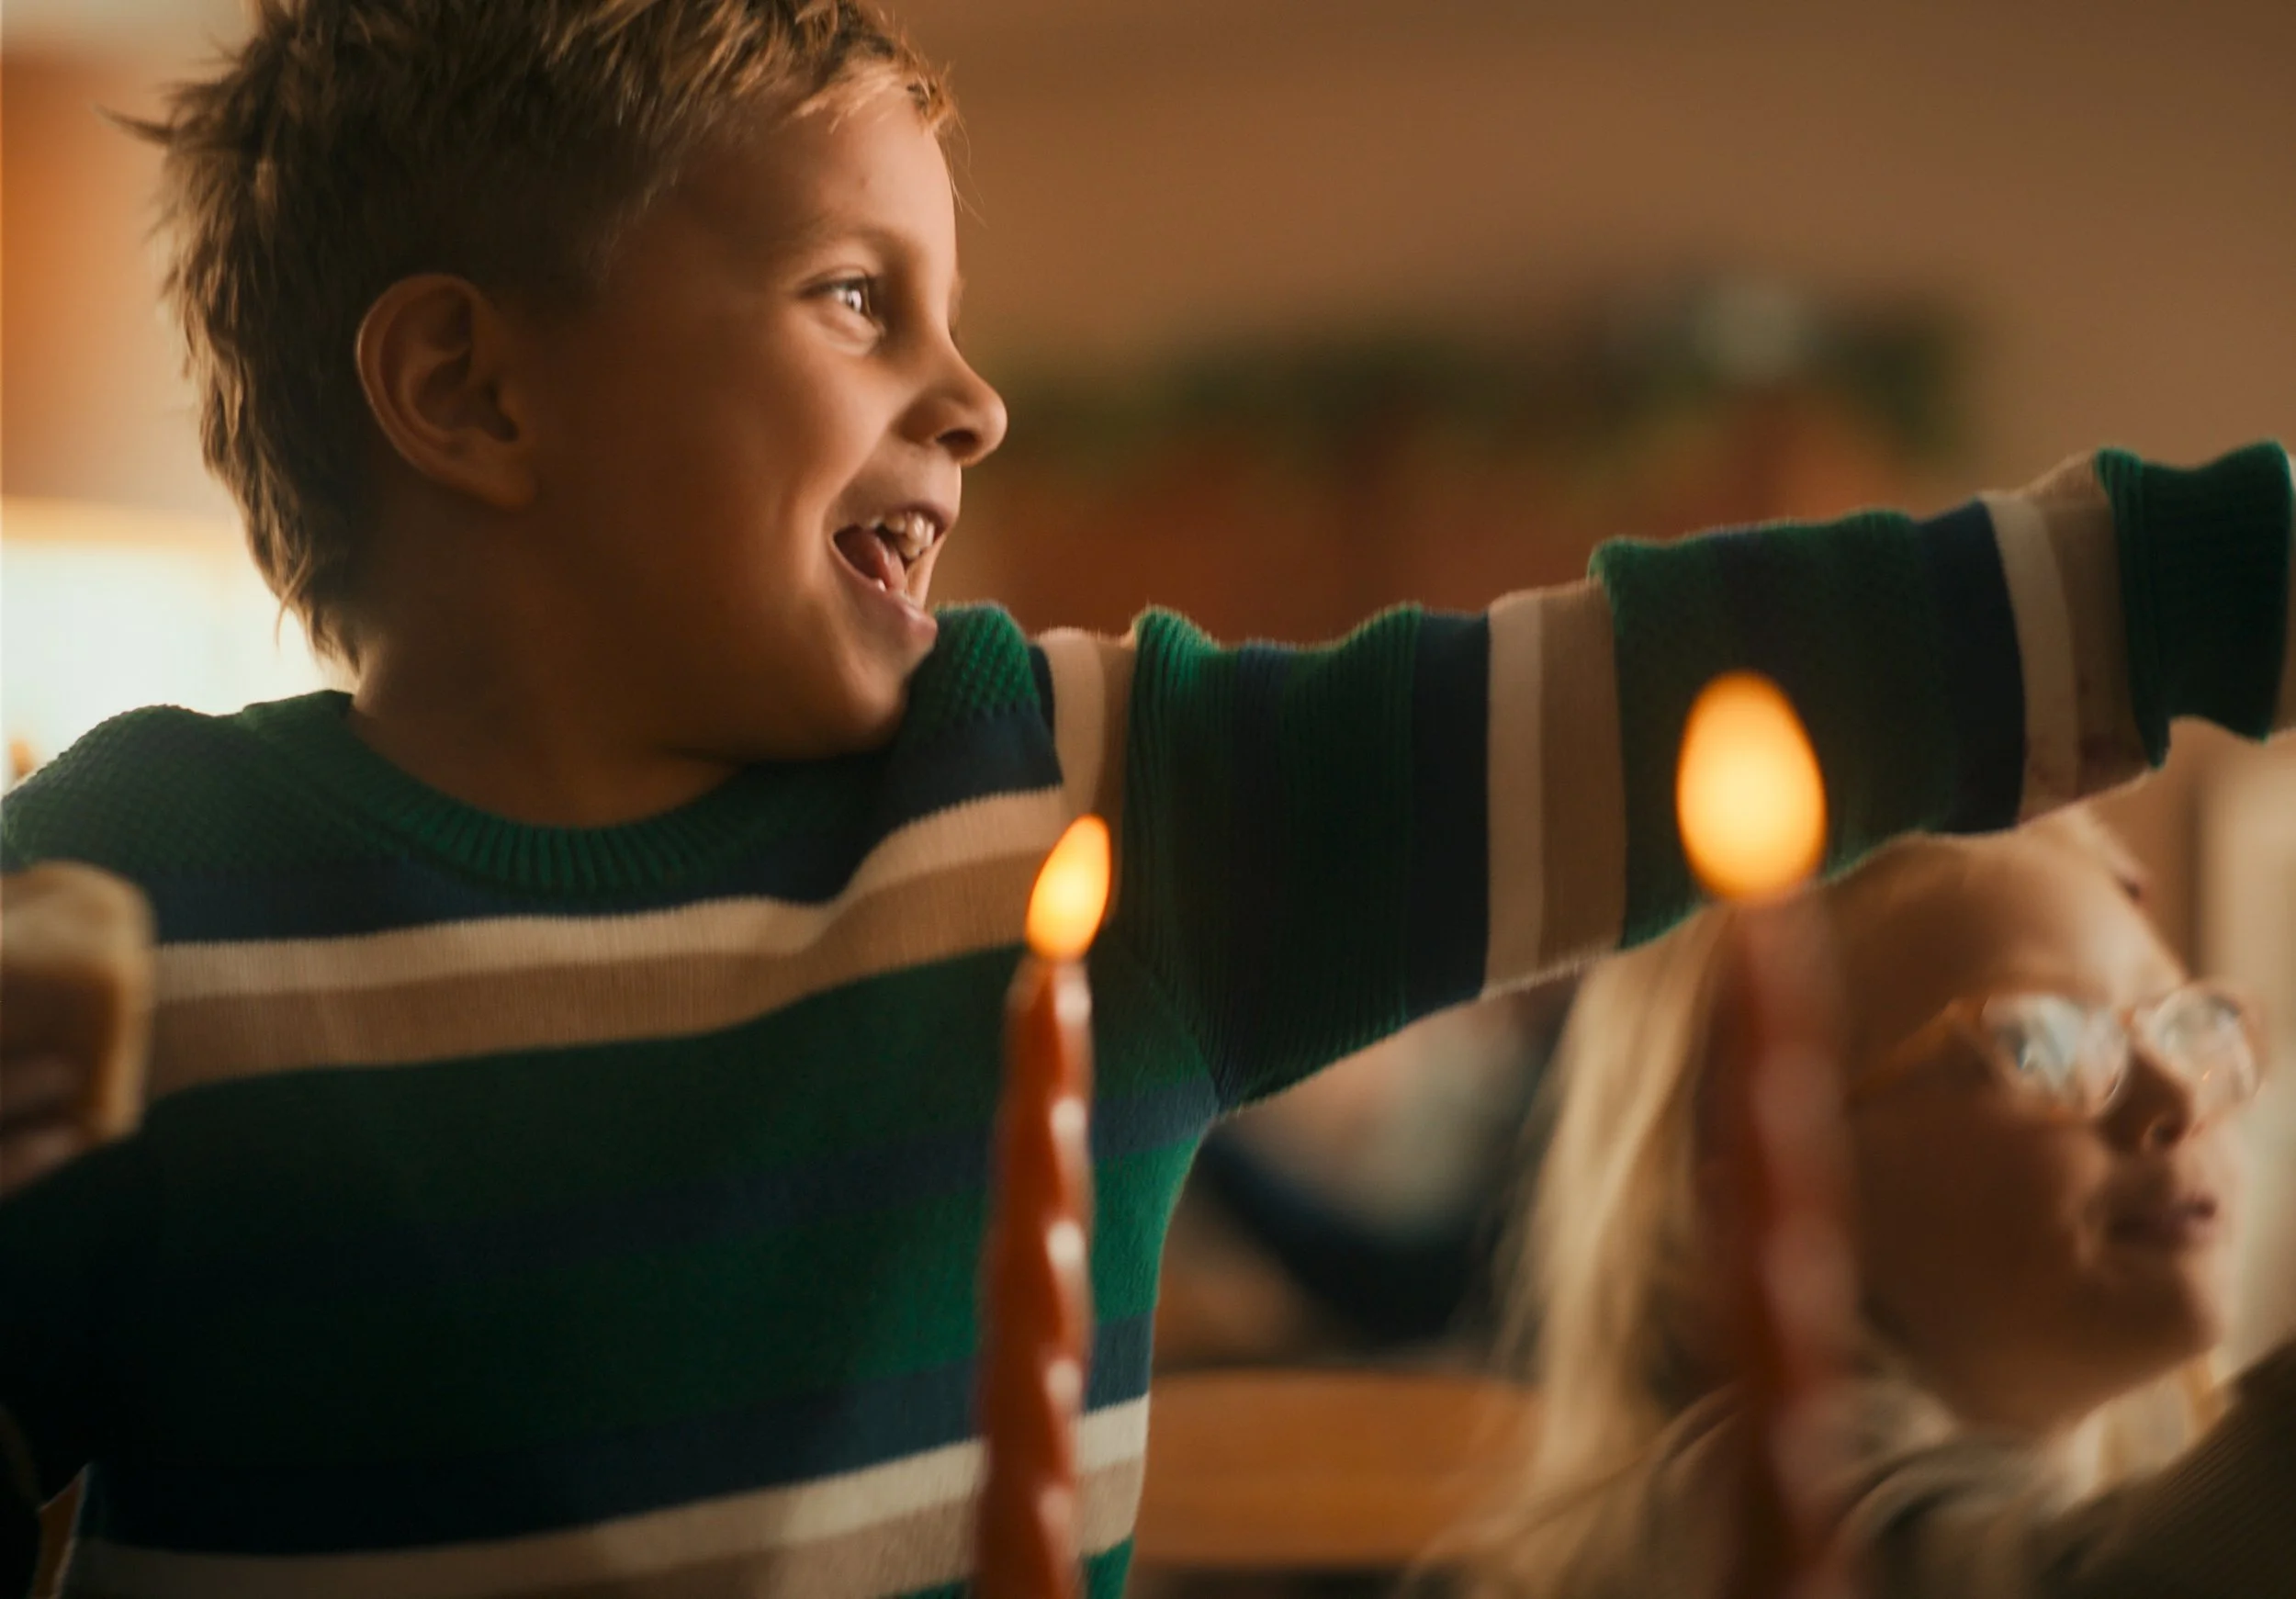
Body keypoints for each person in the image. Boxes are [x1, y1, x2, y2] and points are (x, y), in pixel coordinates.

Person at [0, 3, 2290, 1594]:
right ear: (466, 390)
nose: (973, 398)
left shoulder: (1080, 796)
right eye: (853, 298)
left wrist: (2232, 575)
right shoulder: (133, 901)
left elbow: (1684, 676)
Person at [1453, 814, 2296, 1599]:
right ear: (1760, 1203)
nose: (2176, 1096)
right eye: (2039, 1044)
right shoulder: (1751, 1497)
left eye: (2183, 1025)